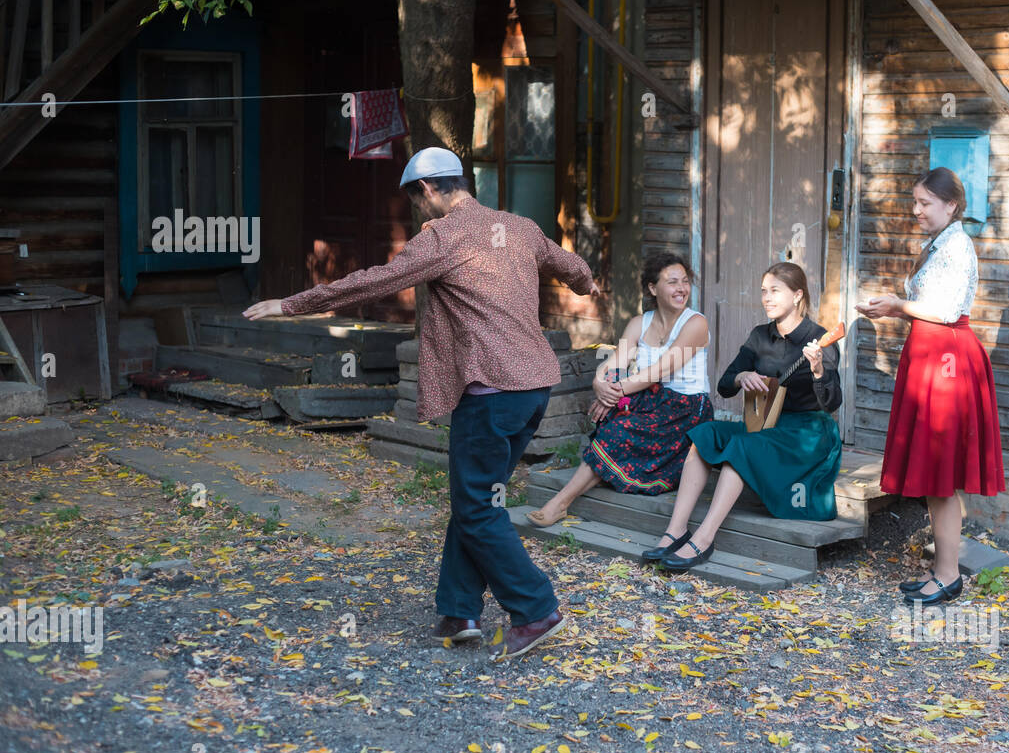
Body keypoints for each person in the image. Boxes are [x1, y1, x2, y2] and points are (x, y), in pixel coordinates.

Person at [243, 146, 597, 659]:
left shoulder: (443, 238)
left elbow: (376, 279)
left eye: (416, 200)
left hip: (492, 392)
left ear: (428, 190)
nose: (418, 210)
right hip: (534, 389)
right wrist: (585, 284)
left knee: (478, 507)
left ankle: (536, 609)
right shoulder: (517, 226)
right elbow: (575, 268)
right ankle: (459, 611)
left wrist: (293, 304)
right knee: (479, 499)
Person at [856, 166, 1005, 605]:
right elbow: (930, 307)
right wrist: (897, 310)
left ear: (951, 206)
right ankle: (943, 571)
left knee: (941, 471)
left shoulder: (957, 246)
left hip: (946, 361)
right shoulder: (940, 244)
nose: (916, 210)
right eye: (916, 202)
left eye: (925, 203)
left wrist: (899, 305)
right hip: (931, 355)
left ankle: (947, 575)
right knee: (935, 474)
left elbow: (944, 310)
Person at [644, 262, 843, 571]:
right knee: (706, 434)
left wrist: (817, 370)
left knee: (742, 448)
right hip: (765, 423)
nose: (767, 298)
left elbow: (831, 402)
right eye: (764, 291)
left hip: (807, 432)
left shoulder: (819, 340)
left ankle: (704, 539)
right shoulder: (760, 336)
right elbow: (725, 384)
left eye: (775, 291)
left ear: (798, 294)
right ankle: (676, 530)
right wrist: (743, 377)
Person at [526, 253, 712, 525]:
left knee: (617, 428)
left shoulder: (696, 323)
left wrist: (615, 390)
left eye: (685, 281)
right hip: (652, 400)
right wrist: (600, 383)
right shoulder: (640, 322)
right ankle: (577, 491)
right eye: (672, 282)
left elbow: (660, 370)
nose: (681, 288)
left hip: (686, 410)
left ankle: (560, 502)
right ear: (652, 288)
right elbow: (615, 364)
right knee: (611, 417)